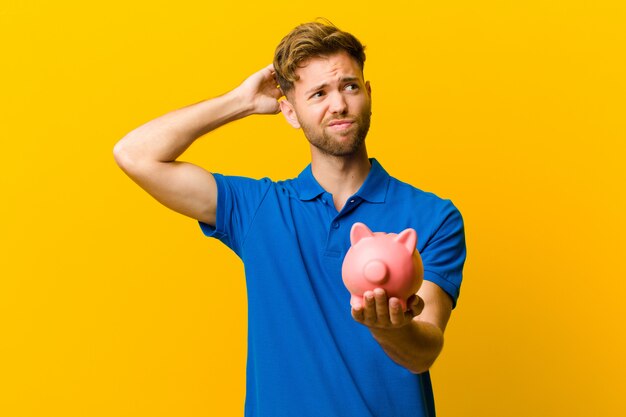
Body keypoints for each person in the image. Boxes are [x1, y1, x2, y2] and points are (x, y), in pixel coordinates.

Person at [114, 20, 466, 417]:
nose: (338, 105)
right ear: (290, 111)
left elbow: (425, 350)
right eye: (318, 94)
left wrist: (391, 328)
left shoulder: (434, 216)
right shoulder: (258, 208)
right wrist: (241, 101)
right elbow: (135, 154)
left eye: (349, 86)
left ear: (368, 94)